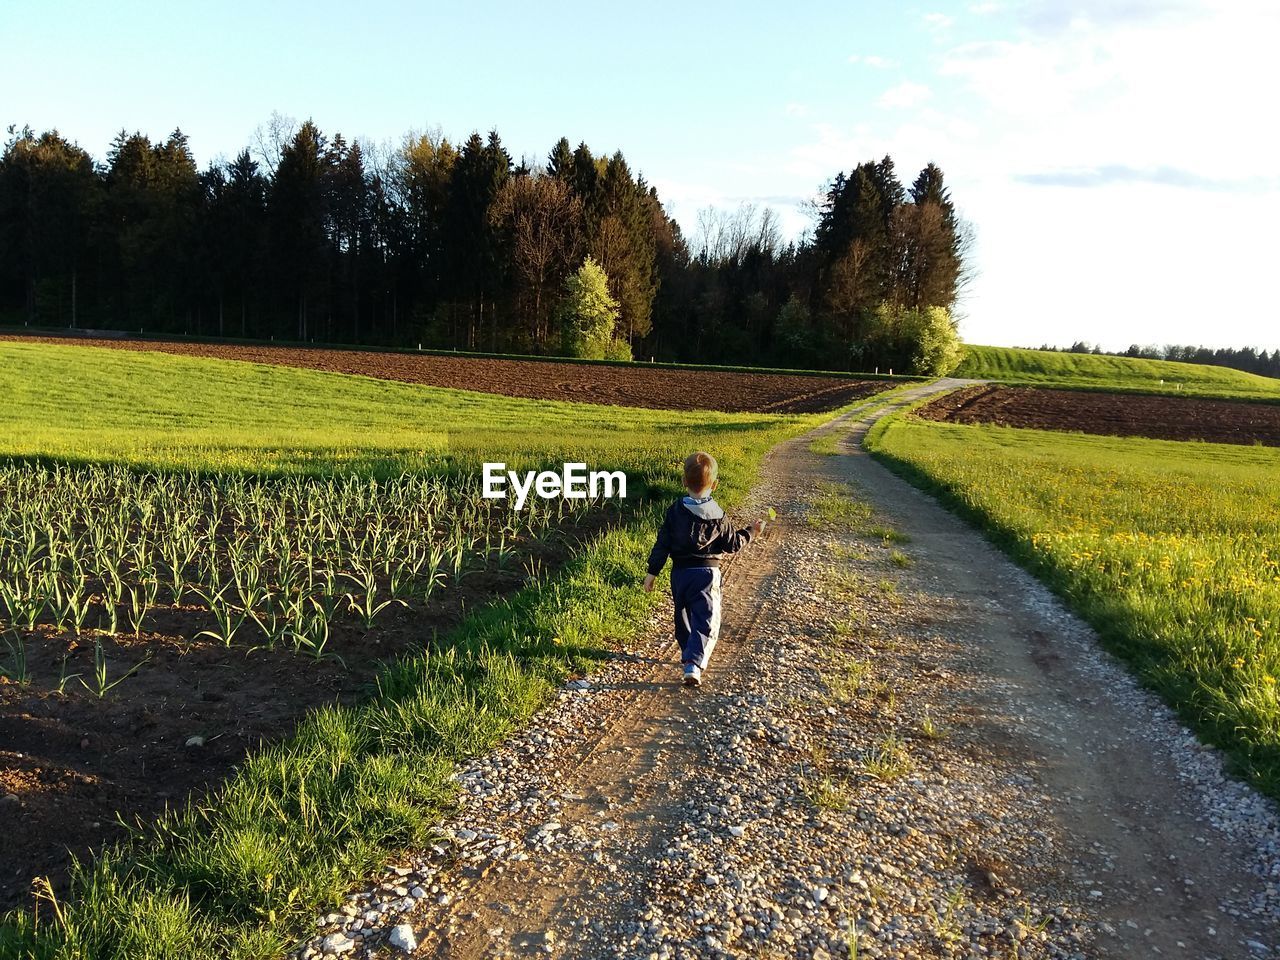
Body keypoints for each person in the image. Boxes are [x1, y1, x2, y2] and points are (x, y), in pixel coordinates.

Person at [642, 451, 766, 687]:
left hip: (679, 574)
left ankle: (688, 651)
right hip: (708, 574)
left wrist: (652, 571)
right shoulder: (719, 516)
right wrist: (751, 531)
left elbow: (662, 543)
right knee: (707, 617)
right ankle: (694, 663)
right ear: (715, 485)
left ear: (683, 482)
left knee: (683, 615)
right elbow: (732, 544)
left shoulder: (674, 511)